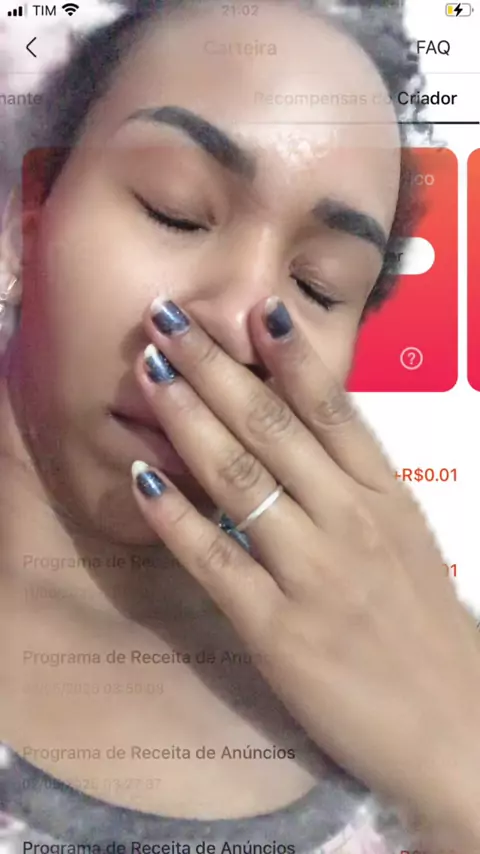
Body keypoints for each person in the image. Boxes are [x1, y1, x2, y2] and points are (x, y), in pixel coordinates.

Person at [1, 0, 479, 852]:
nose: (237, 318)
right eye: (175, 210)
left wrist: (459, 766)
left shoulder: (416, 668)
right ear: (24, 218)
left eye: (320, 286)